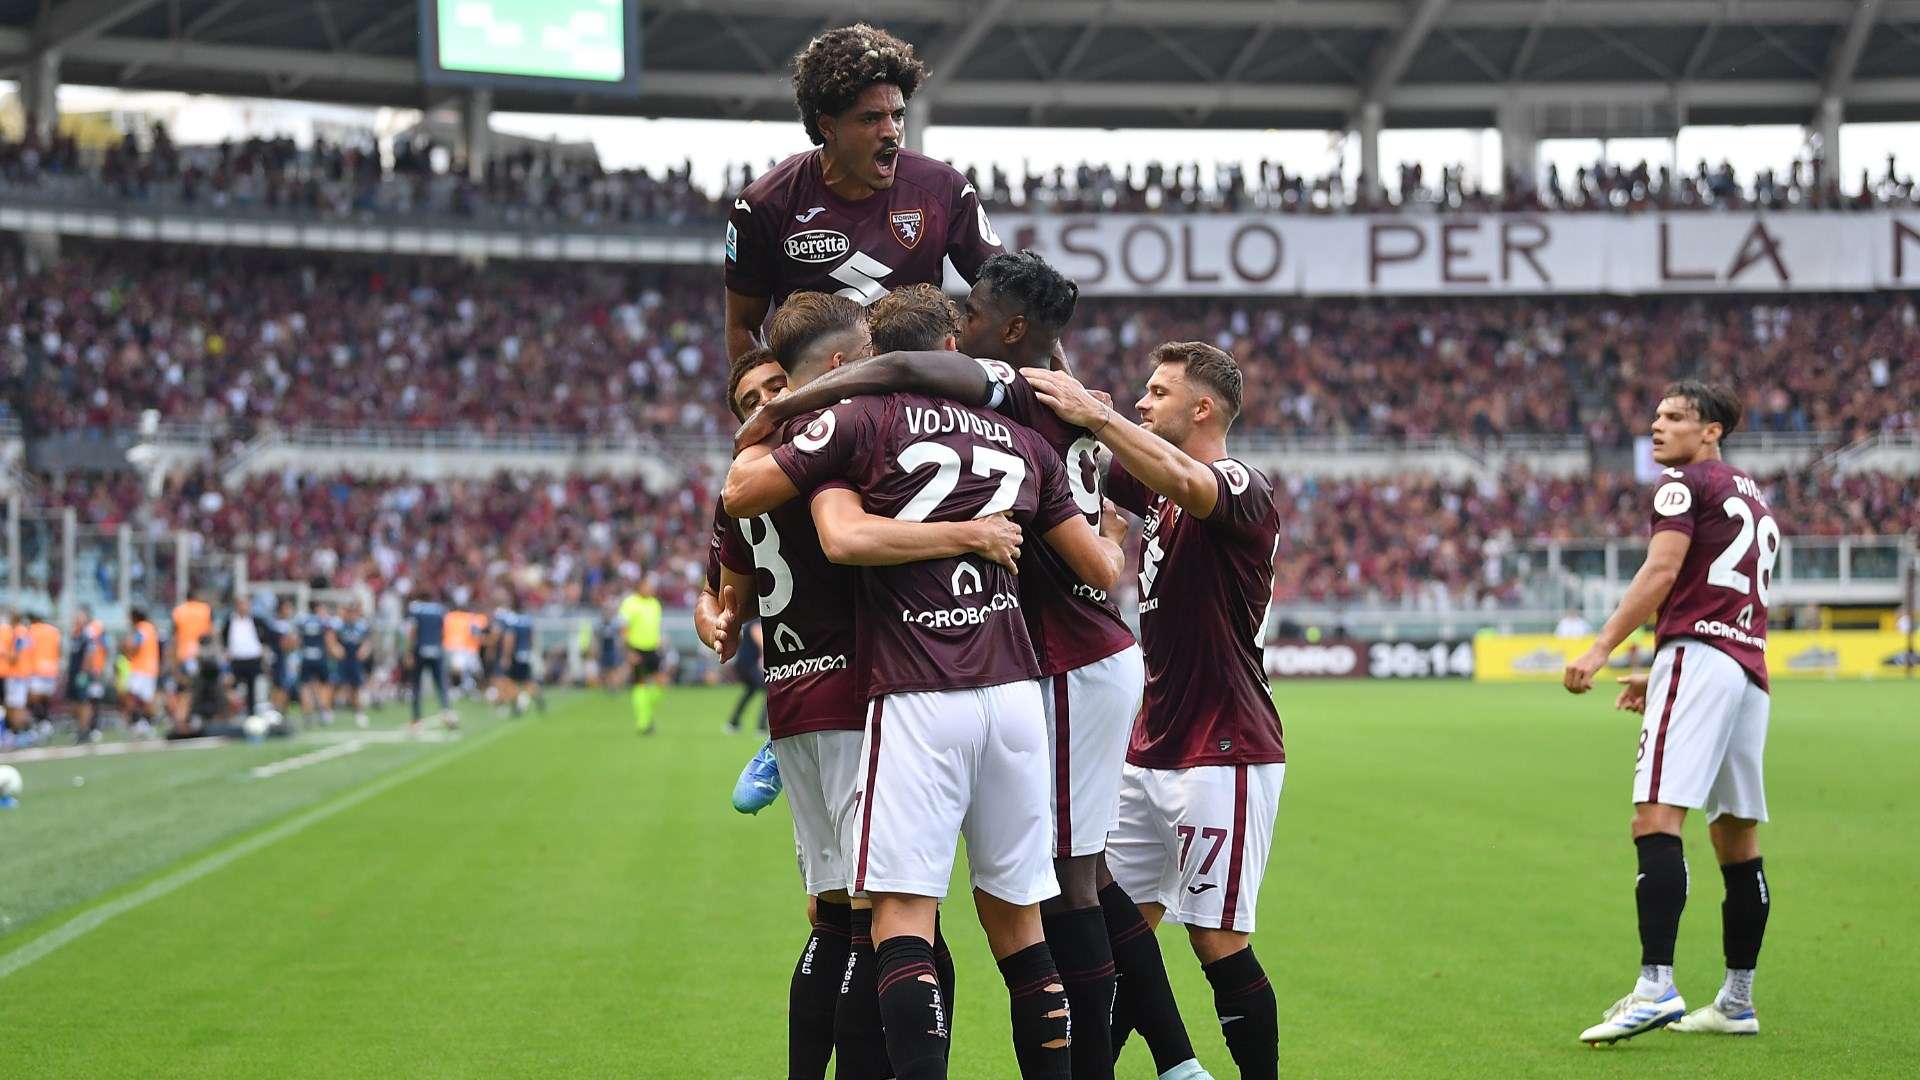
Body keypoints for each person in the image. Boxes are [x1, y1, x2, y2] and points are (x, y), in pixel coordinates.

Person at [740, 259, 1193, 1080]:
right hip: (1019, 693)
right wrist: (1108, 540)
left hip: (917, 690)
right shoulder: (1026, 431)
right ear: (952, 347)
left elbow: (759, 503)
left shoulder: (864, 420)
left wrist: (773, 417)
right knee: (1026, 922)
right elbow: (1097, 567)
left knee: (901, 918)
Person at [702, 330, 1023, 1080]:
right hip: (855, 699)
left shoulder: (746, 477)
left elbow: (723, 591)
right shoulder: (826, 461)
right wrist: (970, 531)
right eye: (752, 400)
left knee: (837, 917)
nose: (769, 403)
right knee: (893, 924)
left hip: (796, 710)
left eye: (776, 388)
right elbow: (835, 546)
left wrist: (712, 616)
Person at [1019, 343, 1287, 1080]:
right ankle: (1173, 1066)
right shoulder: (1159, 489)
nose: (1142, 401)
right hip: (1150, 746)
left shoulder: (1237, 482)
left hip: (1225, 748)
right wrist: (1058, 369)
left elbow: (1174, 472)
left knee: (1216, 940)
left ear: (1202, 409)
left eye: (1158, 391)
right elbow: (1095, 461)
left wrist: (1098, 414)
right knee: (1119, 925)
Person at [1563, 382, 1780, 1044]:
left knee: (1655, 814)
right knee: (1737, 836)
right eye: (1655, 414)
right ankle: (1737, 1001)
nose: (1657, 426)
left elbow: (1661, 574)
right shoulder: (1753, 496)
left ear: (1710, 431)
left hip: (1702, 659)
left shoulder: (1683, 485)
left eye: (1676, 417)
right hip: (1748, 670)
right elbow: (1722, 596)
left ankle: (1656, 986)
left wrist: (1601, 648)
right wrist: (1661, 672)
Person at [723, 22, 1002, 360]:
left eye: (897, 115)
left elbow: (1013, 296)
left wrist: (1063, 385)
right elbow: (743, 328)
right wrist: (767, 407)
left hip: (921, 399)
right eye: (870, 119)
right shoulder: (764, 204)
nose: (891, 131)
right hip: (819, 400)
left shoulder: (944, 189)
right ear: (827, 126)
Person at [617, 580, 665, 735]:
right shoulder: (629, 603)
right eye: (647, 586)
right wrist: (629, 650)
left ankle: (646, 712)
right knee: (640, 684)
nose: (650, 589)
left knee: (660, 683)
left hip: (652, 649)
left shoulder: (655, 604)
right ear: (639, 587)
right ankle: (643, 723)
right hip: (636, 649)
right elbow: (623, 629)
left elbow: (655, 626)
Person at [406, 590, 455, 731]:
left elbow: (413, 630)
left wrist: (409, 651)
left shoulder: (416, 609)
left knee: (416, 686)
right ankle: (447, 711)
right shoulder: (439, 609)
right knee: (440, 684)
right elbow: (443, 631)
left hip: (420, 650)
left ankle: (416, 719)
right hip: (436, 650)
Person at [220, 594, 270, 717]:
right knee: (233, 687)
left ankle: (252, 714)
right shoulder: (230, 621)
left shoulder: (257, 621)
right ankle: (234, 712)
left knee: (253, 688)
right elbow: (224, 638)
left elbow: (266, 638)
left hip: (253, 659)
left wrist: (264, 652)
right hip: (236, 660)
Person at [66, 606, 110, 743]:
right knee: (75, 703)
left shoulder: (87, 635)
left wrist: (85, 672)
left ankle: (86, 729)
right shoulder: (75, 635)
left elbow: (89, 654)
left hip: (83, 673)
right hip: (74, 673)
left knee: (85, 700)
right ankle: (82, 727)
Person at [170, 592, 212, 729]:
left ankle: (183, 718)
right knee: (194, 689)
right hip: (202, 654)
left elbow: (175, 637)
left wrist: (174, 662)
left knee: (186, 688)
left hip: (184, 654)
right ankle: (185, 719)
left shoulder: (179, 611)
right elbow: (211, 631)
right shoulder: (205, 609)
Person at [295, 601, 339, 726]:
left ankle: (307, 714)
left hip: (306, 657)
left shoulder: (302, 621)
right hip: (320, 657)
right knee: (325, 685)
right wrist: (335, 652)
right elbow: (329, 640)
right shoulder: (324, 621)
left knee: (305, 686)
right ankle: (324, 711)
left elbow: (297, 640)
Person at [123, 607, 163, 738]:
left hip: (141, 668)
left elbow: (136, 645)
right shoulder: (151, 628)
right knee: (146, 698)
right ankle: (148, 723)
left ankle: (138, 722)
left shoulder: (141, 628)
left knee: (131, 695)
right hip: (150, 668)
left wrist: (127, 650)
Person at [334, 601, 373, 728]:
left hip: (354, 659)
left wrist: (364, 650)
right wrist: (336, 649)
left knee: (356, 687)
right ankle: (328, 711)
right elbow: (331, 638)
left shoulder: (361, 626)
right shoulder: (339, 625)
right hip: (342, 659)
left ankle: (358, 713)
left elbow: (367, 641)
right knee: (335, 684)